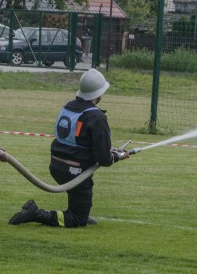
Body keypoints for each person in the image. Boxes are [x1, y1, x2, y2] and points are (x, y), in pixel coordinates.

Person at [8, 69, 128, 228]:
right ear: (99, 94)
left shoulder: (69, 107)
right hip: (76, 171)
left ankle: (78, 212)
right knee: (78, 220)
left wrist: (108, 150)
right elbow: (103, 159)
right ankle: (37, 213)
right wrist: (116, 156)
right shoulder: (96, 117)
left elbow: (78, 140)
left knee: (79, 208)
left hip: (58, 166)